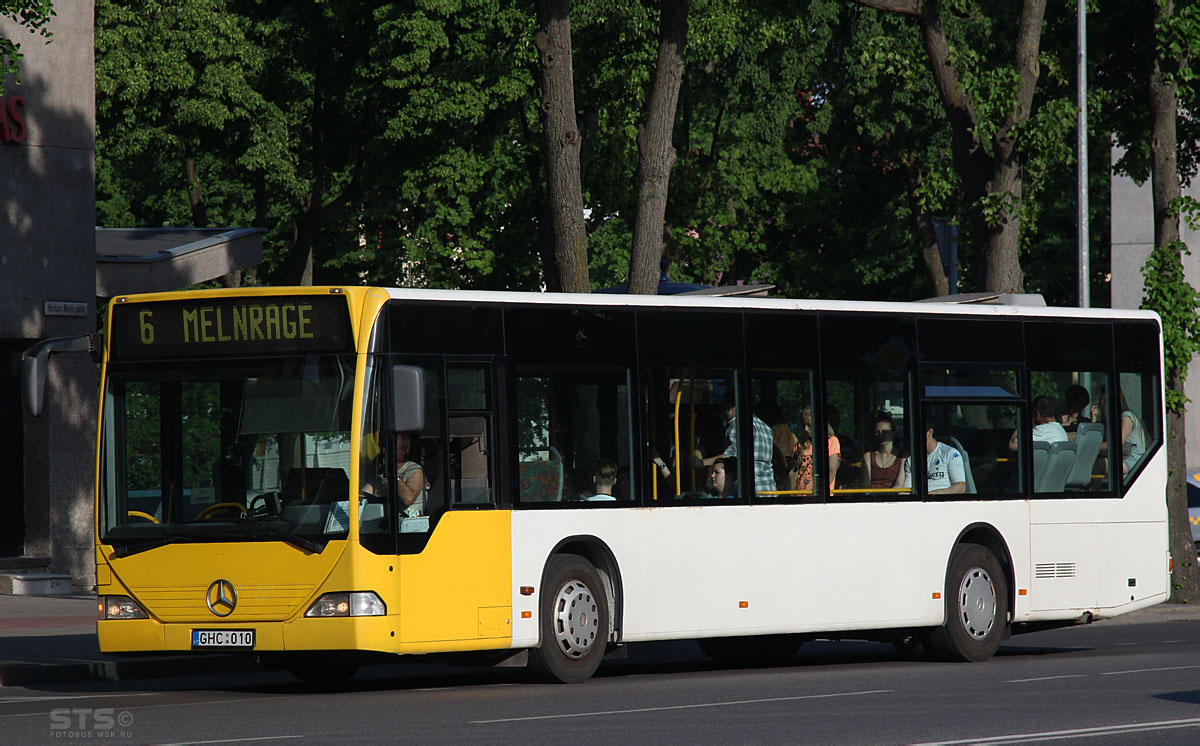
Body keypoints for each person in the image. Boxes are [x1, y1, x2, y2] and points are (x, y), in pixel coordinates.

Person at [703, 392, 775, 495]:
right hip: (769, 488)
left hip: (750, 489)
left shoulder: (738, 425)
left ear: (731, 407)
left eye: (724, 409)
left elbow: (729, 456)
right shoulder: (765, 427)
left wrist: (701, 463)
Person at [904, 422, 966, 494]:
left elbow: (961, 487)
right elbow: (907, 490)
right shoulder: (911, 460)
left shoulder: (950, 453)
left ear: (930, 432)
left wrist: (936, 493)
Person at [863, 412, 906, 490]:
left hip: (892, 498)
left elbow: (899, 485)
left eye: (885, 432)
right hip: (872, 498)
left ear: (893, 433)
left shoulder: (902, 456)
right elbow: (866, 485)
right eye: (877, 433)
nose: (881, 435)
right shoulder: (868, 456)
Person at [396, 432, 427, 517]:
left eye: (395, 449)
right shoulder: (381, 470)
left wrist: (394, 476)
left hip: (406, 524)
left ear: (406, 450)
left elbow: (408, 499)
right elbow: (366, 493)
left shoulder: (414, 470)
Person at [1119, 390, 1147, 475]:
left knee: (1098, 465)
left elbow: (1118, 443)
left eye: (1102, 400)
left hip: (1132, 460)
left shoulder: (1126, 416)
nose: (1099, 404)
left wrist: (1096, 446)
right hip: (1124, 458)